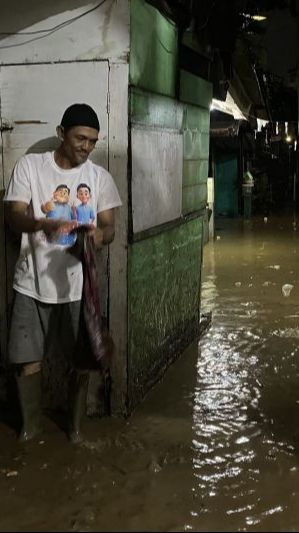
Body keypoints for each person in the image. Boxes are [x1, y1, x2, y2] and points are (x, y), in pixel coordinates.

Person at [4, 103, 122, 443]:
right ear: (61, 134)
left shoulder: (100, 177)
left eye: (92, 141)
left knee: (82, 360)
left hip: (78, 285)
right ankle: (30, 428)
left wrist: (97, 236)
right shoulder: (31, 166)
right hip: (31, 279)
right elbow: (13, 215)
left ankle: (75, 430)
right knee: (26, 359)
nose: (86, 146)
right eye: (80, 138)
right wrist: (43, 223)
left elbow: (110, 227)